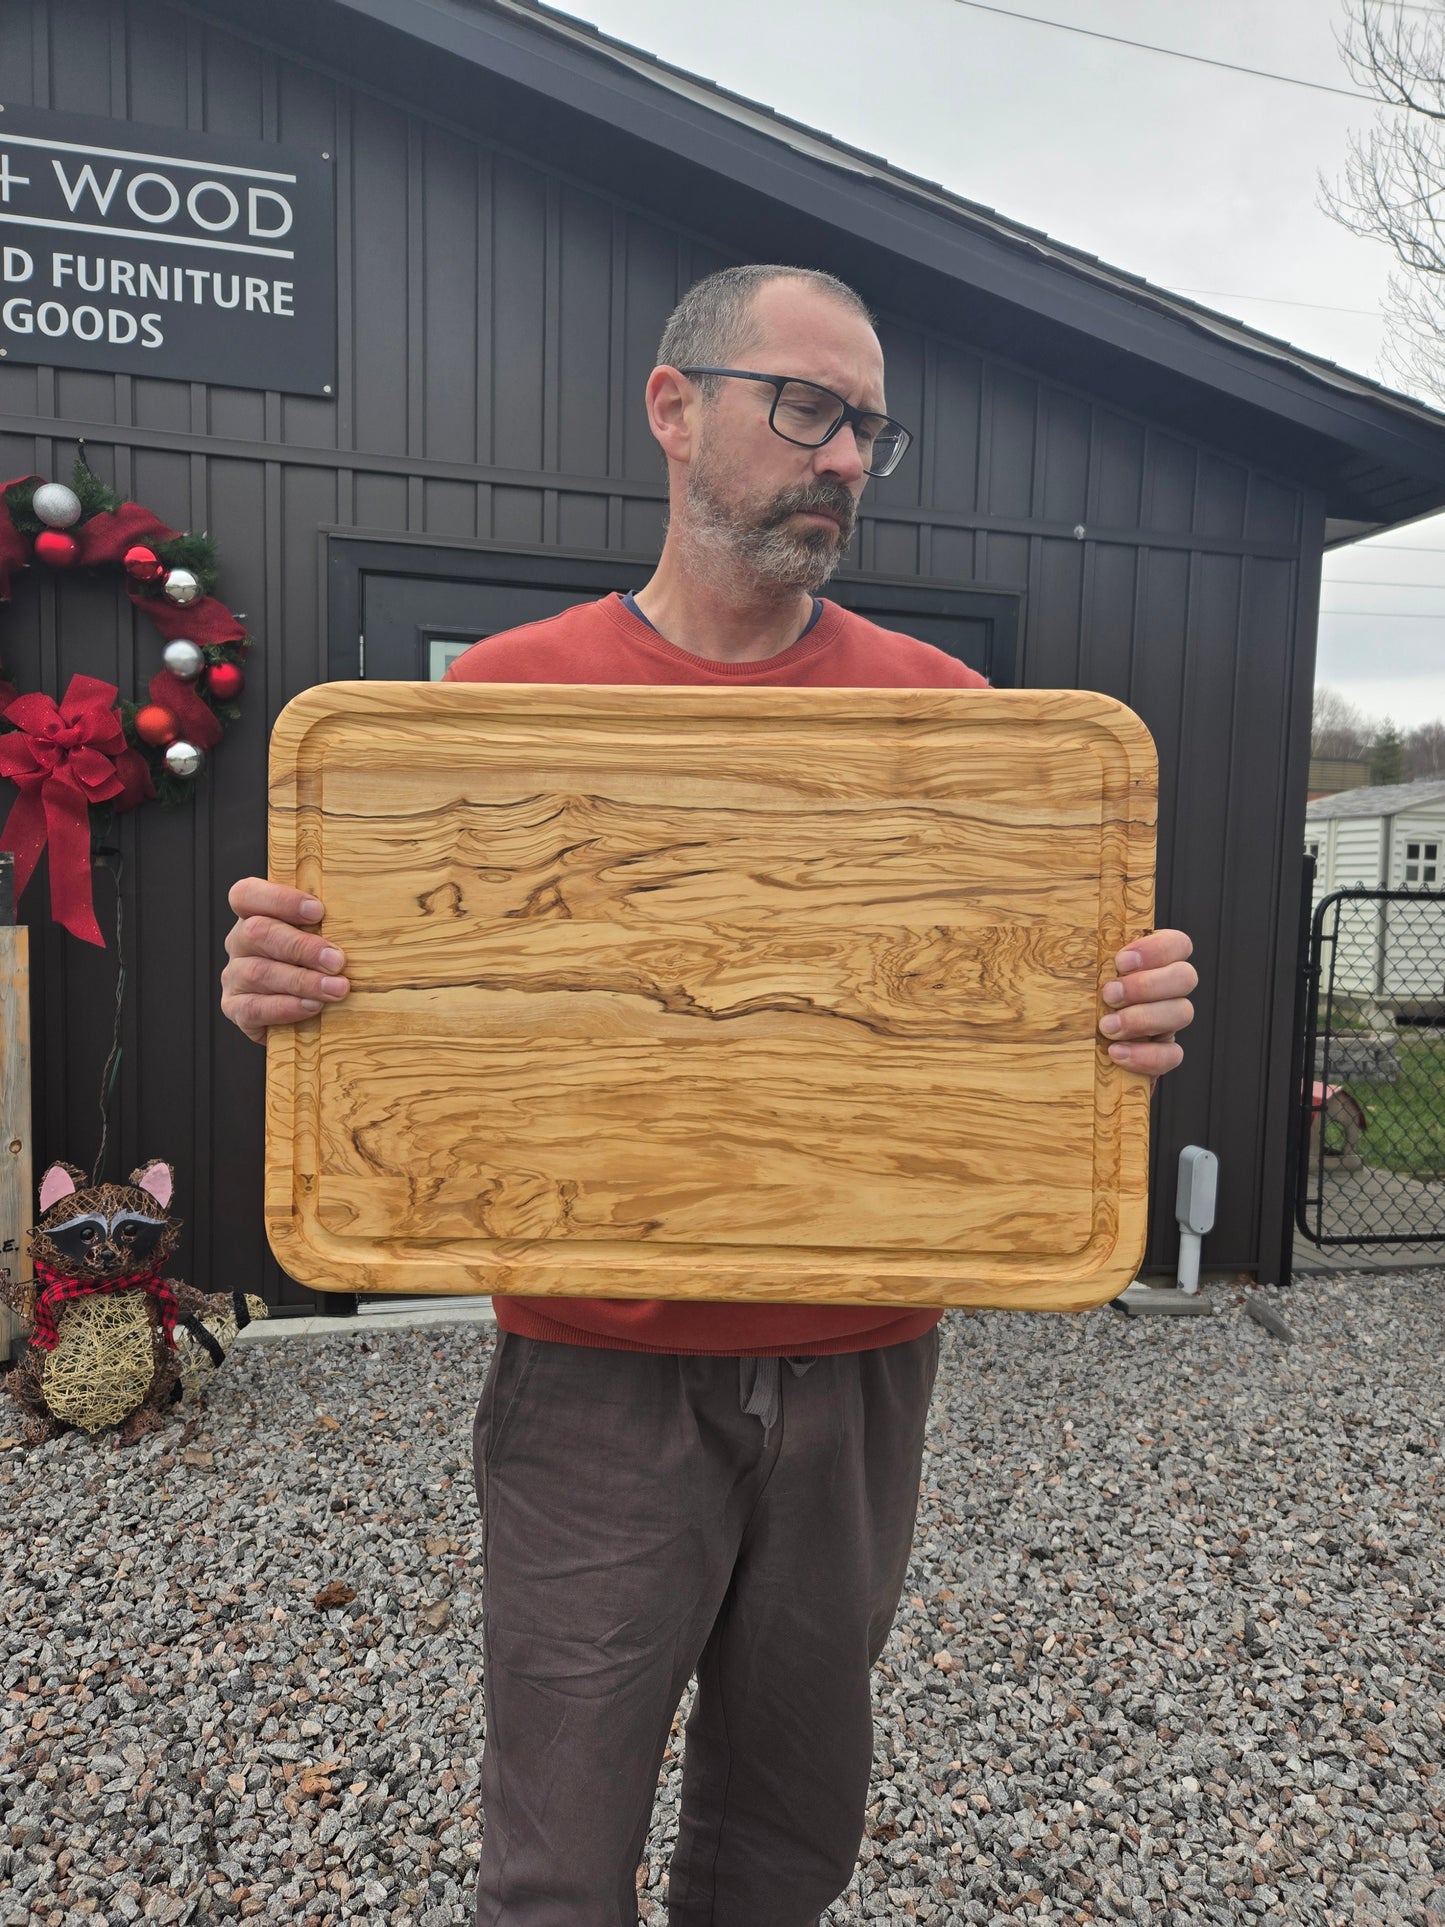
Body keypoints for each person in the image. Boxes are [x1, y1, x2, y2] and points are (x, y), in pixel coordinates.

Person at [221, 264, 1197, 1927]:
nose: (837, 458)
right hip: (593, 1377)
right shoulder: (490, 709)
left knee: (784, 1845)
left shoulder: (954, 731)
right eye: (803, 407)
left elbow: (1014, 1023)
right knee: (557, 1855)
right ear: (673, 409)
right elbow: (399, 1015)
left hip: (864, 1376)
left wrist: (1114, 1018)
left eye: (865, 429)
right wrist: (291, 995)